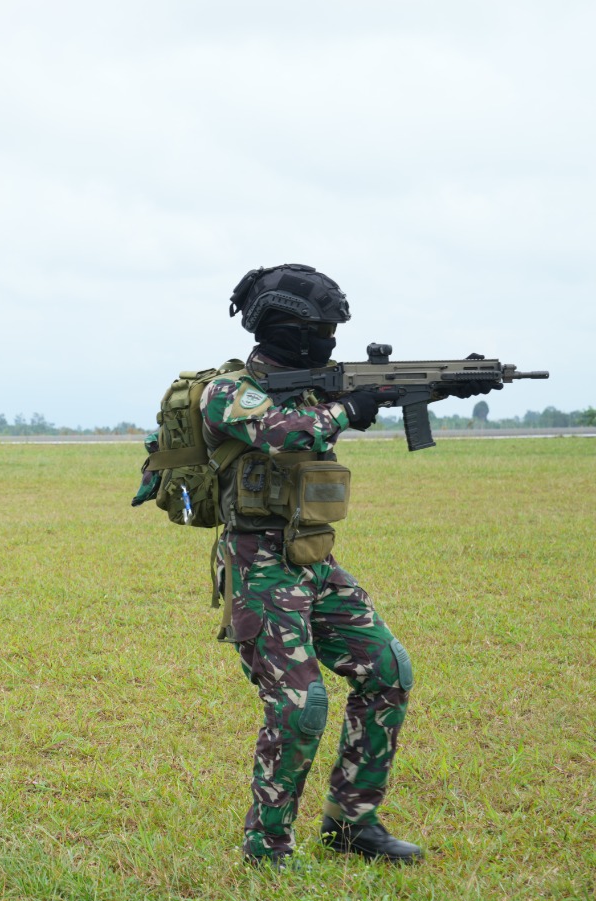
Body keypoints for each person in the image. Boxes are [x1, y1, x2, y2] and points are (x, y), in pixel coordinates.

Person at [201, 263, 497, 866]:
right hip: (259, 566)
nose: (331, 340)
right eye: (323, 329)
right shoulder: (228, 391)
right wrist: (350, 407)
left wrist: (438, 385)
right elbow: (285, 433)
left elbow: (354, 399)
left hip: (314, 558)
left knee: (388, 670)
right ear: (286, 327)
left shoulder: (320, 385)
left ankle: (352, 824)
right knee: (299, 704)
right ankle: (268, 847)